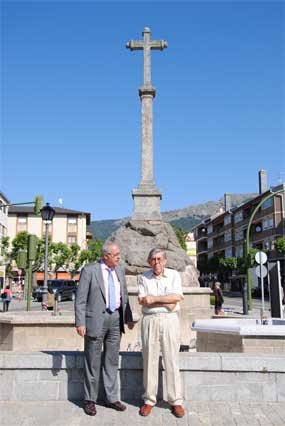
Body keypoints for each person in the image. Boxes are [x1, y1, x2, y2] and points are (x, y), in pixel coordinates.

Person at [75, 241, 134, 417]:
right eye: (116, 255)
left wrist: (128, 317)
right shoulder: (89, 271)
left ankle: (111, 398)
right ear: (106, 256)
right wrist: (80, 322)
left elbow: (124, 295)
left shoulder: (120, 271)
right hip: (95, 321)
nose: (119, 258)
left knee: (112, 360)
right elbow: (80, 299)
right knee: (92, 361)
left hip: (116, 319)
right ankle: (90, 400)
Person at [138, 248, 185, 418]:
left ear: (165, 261)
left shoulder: (174, 275)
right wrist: (167, 299)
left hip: (170, 320)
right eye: (153, 259)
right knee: (149, 360)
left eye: (159, 259)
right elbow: (143, 300)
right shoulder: (143, 277)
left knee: (172, 360)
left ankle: (176, 401)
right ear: (149, 261)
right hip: (150, 320)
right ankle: (149, 400)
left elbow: (177, 298)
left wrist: (155, 299)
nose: (156, 263)